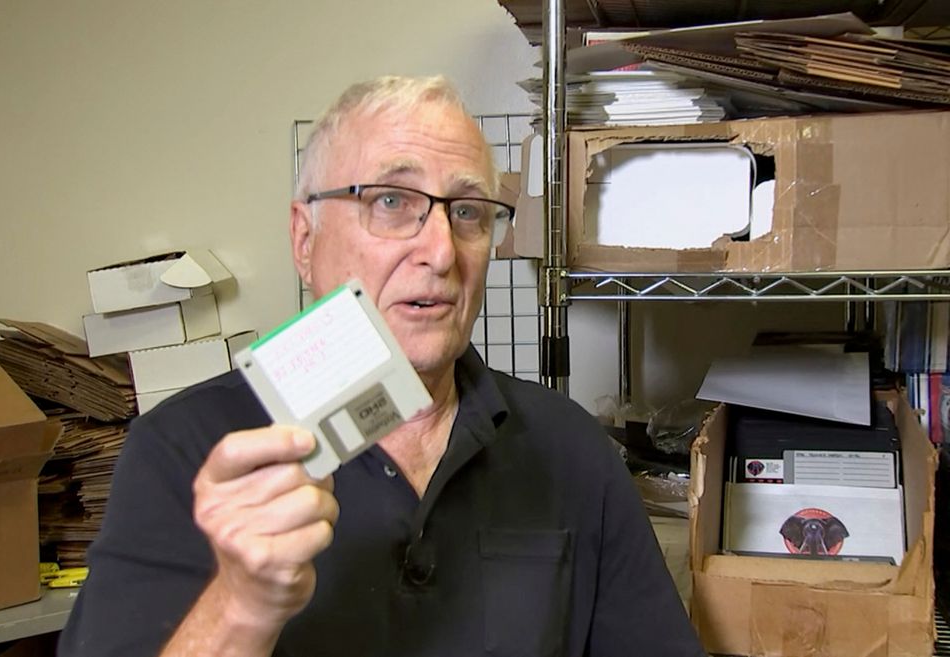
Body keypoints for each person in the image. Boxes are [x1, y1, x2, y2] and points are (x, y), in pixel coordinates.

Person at [58, 75, 705, 657]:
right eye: (392, 202)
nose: (441, 250)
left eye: (468, 211)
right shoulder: (179, 449)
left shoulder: (573, 451)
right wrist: (239, 604)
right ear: (304, 241)